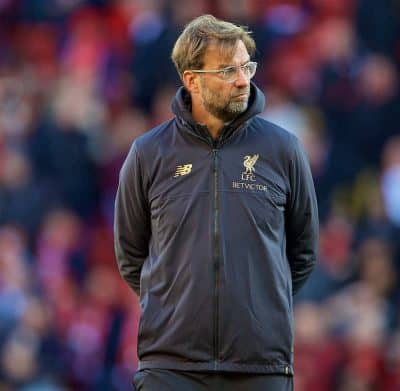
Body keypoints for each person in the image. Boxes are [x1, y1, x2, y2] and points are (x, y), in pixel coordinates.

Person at [114, 14, 319, 391]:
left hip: (260, 366)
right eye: (228, 70)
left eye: (246, 67)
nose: (243, 79)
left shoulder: (284, 149)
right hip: (170, 367)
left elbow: (303, 252)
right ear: (191, 80)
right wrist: (176, 301)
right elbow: (131, 255)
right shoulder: (148, 154)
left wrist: (258, 304)